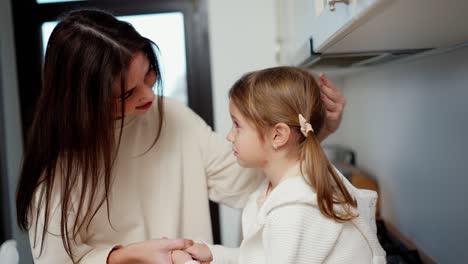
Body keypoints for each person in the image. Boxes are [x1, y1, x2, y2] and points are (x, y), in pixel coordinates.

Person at [15, 9, 346, 264]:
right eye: (128, 93)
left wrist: (310, 133)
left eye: (150, 75)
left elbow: (246, 181)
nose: (148, 96)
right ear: (85, 100)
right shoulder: (58, 163)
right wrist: (125, 255)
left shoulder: (170, 115)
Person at [171, 67, 386, 264]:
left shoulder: (294, 210)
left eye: (237, 125)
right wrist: (215, 255)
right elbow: (261, 257)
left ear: (278, 134)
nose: (230, 136)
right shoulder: (280, 188)